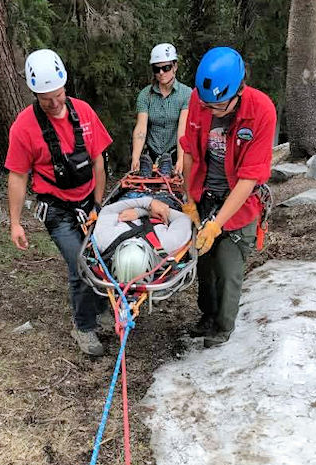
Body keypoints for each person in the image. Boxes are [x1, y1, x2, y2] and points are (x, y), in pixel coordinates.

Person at [5, 49, 112, 357]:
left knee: (100, 254)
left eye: (58, 95)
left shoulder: (84, 113)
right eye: (45, 99)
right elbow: (17, 177)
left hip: (89, 201)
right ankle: (83, 326)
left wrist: (98, 204)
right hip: (58, 209)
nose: (54, 104)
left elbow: (98, 162)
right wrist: (15, 222)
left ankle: (103, 306)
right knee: (79, 262)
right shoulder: (24, 127)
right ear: (34, 94)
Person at [181, 46, 276, 348]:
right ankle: (207, 317)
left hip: (240, 203)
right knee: (204, 264)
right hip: (205, 193)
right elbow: (189, 150)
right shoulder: (200, 99)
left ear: (238, 91)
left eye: (218, 106)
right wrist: (188, 199)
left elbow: (249, 178)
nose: (211, 111)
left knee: (227, 268)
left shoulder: (261, 111)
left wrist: (217, 224)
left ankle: (222, 330)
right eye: (207, 106)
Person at [92, 196, 191, 282]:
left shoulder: (104, 241)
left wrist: (146, 205)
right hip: (163, 203)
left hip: (128, 202)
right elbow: (183, 218)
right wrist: (145, 210)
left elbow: (108, 210)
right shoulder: (168, 245)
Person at [131, 43, 192, 177]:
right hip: (151, 154)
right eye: (156, 69)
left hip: (175, 151)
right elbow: (141, 127)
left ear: (175, 66)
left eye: (166, 68)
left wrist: (181, 159)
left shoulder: (187, 94)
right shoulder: (145, 95)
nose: (161, 73)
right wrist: (135, 157)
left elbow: (183, 129)